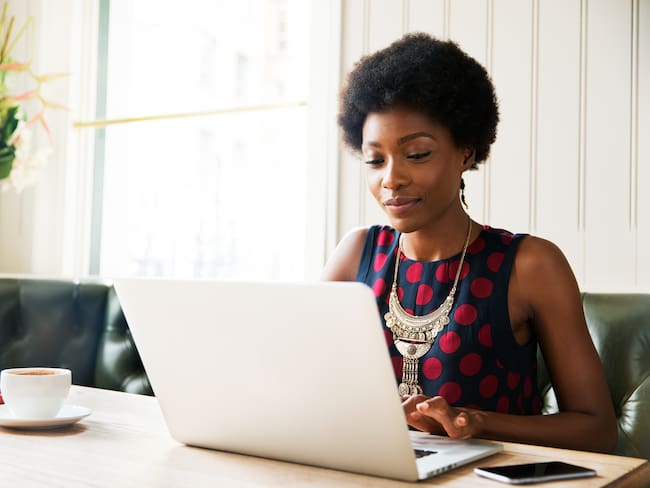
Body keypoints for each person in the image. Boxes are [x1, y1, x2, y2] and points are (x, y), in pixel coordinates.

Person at [321, 33, 617, 452]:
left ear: (465, 151)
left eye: (417, 154)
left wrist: (474, 423)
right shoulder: (355, 255)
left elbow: (597, 430)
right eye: (375, 159)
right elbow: (304, 386)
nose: (391, 179)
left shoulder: (530, 265)